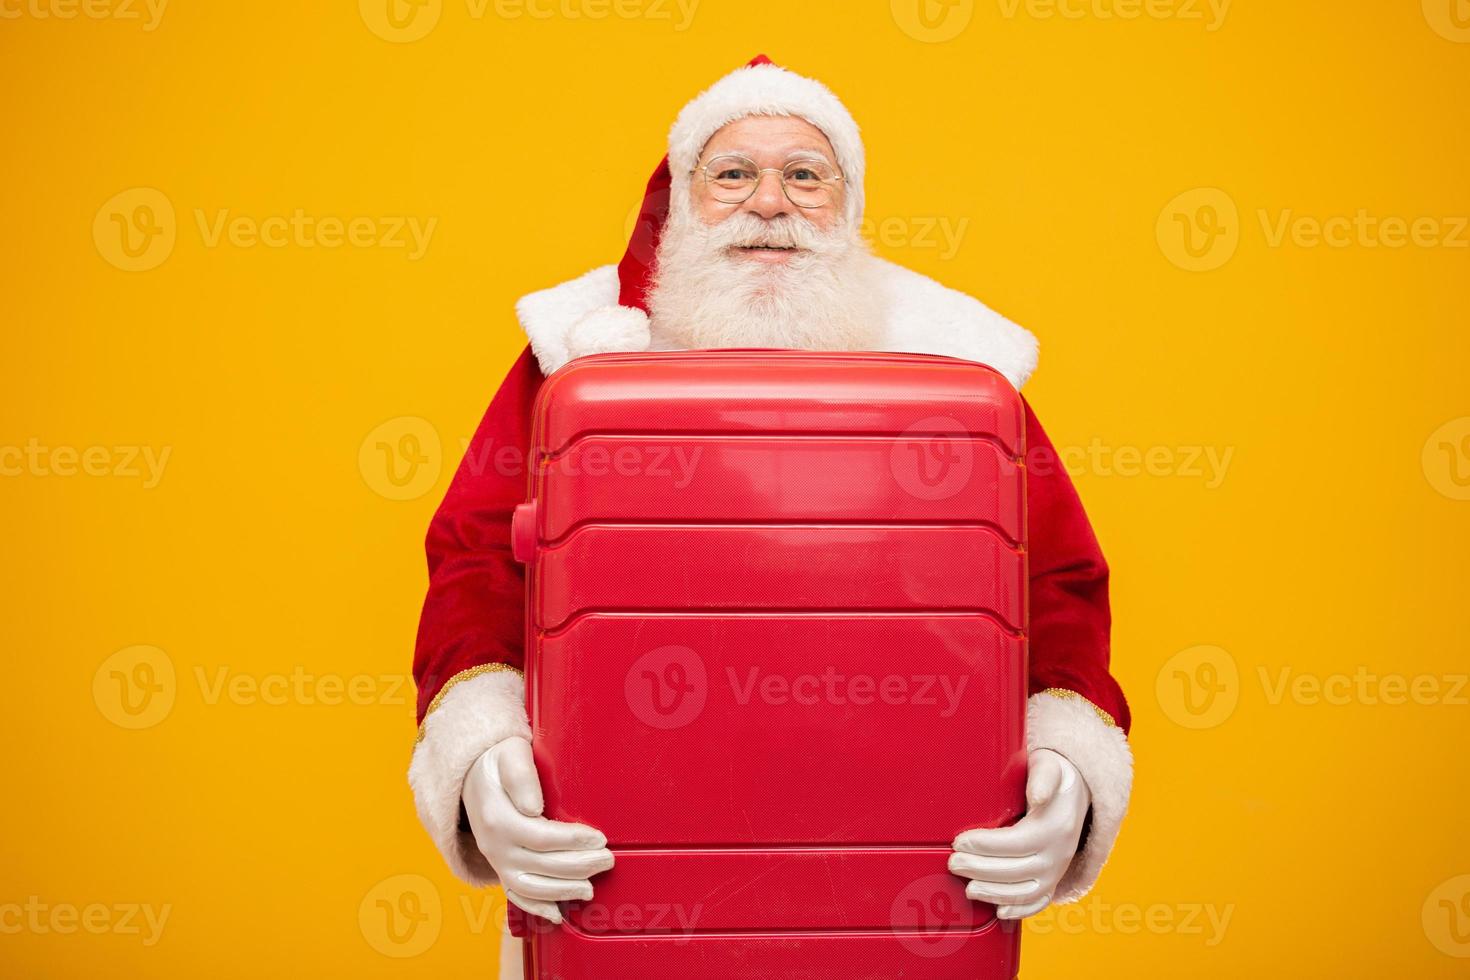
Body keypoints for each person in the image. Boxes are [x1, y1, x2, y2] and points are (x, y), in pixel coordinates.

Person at [408, 55, 1133, 976]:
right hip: (617, 879)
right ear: (680, 200)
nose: (770, 202)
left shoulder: (962, 365)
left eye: (804, 174)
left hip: (898, 884)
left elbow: (1059, 582)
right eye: (733, 174)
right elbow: (474, 559)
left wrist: (1067, 759)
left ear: (849, 204)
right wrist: (480, 754)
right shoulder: (576, 354)